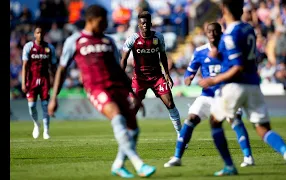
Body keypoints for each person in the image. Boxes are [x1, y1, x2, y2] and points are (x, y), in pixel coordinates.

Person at [198, 0, 286, 176]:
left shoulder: (230, 35)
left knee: (215, 121)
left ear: (225, 10)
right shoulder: (249, 29)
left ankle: (229, 166)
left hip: (235, 86)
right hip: (254, 86)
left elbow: (237, 66)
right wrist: (220, 55)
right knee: (263, 129)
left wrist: (213, 79)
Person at [47, 5, 156, 178]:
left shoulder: (108, 41)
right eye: (102, 20)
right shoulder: (74, 40)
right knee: (117, 116)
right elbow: (62, 69)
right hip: (96, 88)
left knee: (133, 130)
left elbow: (118, 69)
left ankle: (119, 165)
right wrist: (54, 98)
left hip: (117, 88)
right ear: (91, 20)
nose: (105, 24)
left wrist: (134, 94)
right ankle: (139, 164)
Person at [164, 22, 254, 168]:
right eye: (209, 31)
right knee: (191, 119)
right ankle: (177, 157)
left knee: (234, 120)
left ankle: (248, 157)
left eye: (215, 31)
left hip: (226, 94)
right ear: (206, 34)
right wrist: (188, 77)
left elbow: (238, 68)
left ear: (220, 33)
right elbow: (191, 69)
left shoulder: (229, 49)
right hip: (207, 95)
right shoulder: (200, 51)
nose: (212, 34)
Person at [120, 11, 183, 142]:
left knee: (170, 103)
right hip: (139, 79)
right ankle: (127, 136)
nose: (145, 26)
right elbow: (124, 59)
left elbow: (163, 56)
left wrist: (167, 74)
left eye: (147, 23)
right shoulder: (132, 39)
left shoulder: (158, 37)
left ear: (151, 24)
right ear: (138, 25)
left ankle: (180, 135)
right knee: (133, 109)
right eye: (142, 23)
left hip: (157, 77)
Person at [21, 24, 57, 139]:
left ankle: (46, 131)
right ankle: (36, 124)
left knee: (45, 106)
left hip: (44, 80)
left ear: (44, 34)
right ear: (34, 34)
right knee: (31, 105)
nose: (40, 35)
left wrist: (55, 80)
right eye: (37, 33)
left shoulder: (50, 48)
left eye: (41, 33)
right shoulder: (28, 47)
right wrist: (23, 82)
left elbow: (53, 66)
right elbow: (25, 66)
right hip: (31, 80)